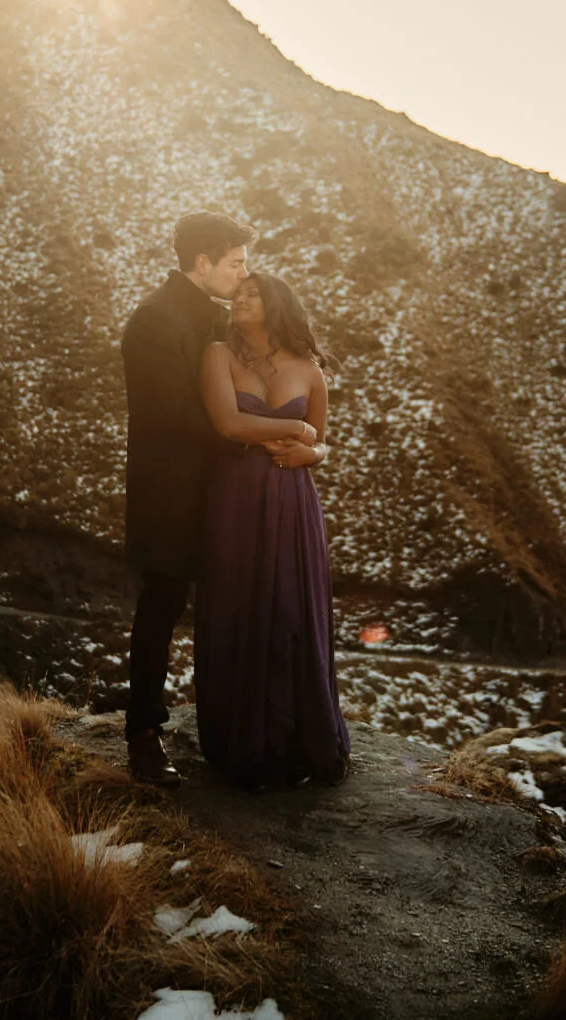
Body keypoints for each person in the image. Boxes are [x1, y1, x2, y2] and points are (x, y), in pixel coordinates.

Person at [119, 213, 317, 784]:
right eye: (235, 263)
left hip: (233, 490)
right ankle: (143, 734)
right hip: (174, 493)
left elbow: (280, 389)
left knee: (245, 605)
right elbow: (173, 416)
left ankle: (249, 727)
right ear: (201, 263)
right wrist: (256, 438)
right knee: (161, 606)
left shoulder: (222, 320)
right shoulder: (152, 322)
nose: (243, 274)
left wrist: (303, 444)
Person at [194, 272, 349, 790]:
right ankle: (243, 740)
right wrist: (293, 428)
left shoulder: (310, 371)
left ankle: (293, 740)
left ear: (277, 305)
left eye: (252, 293)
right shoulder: (218, 352)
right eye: (237, 292)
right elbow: (229, 425)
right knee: (238, 605)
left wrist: (313, 449)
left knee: (289, 609)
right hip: (235, 499)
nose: (239, 298)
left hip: (292, 503)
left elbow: (321, 444)